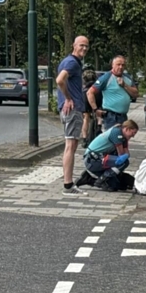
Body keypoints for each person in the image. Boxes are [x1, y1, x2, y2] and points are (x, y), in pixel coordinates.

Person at [55, 36, 90, 195]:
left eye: (86, 46)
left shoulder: (68, 61)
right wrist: (68, 98)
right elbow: (60, 80)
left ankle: (68, 183)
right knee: (70, 146)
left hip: (69, 109)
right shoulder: (72, 62)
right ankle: (68, 185)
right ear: (74, 46)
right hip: (72, 109)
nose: (84, 49)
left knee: (72, 145)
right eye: (81, 45)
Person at [84, 119, 139, 192]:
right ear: (126, 129)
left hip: (99, 158)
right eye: (133, 133)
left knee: (114, 186)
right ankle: (102, 179)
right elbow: (121, 155)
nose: (133, 136)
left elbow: (127, 153)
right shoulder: (117, 134)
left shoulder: (123, 136)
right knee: (124, 162)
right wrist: (125, 156)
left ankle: (87, 179)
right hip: (92, 160)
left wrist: (125, 155)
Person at [88, 55, 138, 130]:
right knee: (113, 139)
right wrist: (95, 110)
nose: (121, 67)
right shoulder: (106, 78)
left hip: (124, 116)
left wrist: (125, 85)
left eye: (123, 65)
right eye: (118, 64)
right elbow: (90, 93)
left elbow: (135, 94)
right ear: (112, 65)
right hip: (111, 116)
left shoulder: (127, 78)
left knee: (122, 140)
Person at [80, 68, 98, 148]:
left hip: (84, 94)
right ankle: (97, 132)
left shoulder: (84, 75)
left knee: (86, 118)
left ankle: (84, 139)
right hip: (95, 94)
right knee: (97, 113)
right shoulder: (94, 75)